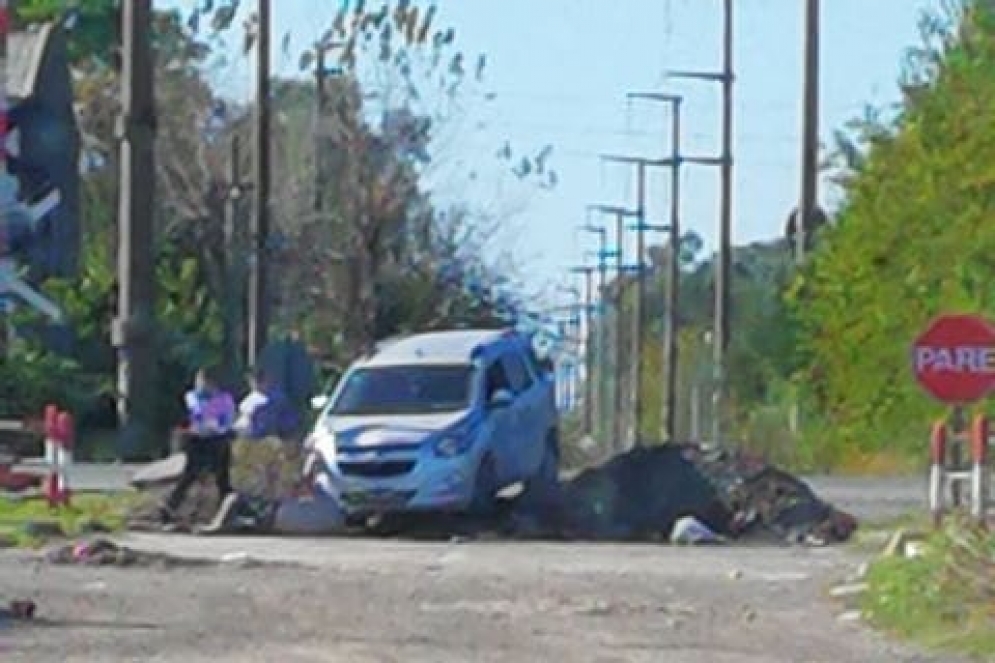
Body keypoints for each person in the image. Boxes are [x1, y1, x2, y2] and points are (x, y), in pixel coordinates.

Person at [161, 366, 236, 523]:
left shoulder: (224, 398)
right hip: (198, 440)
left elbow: (227, 419)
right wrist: (215, 408)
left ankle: (227, 511)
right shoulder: (193, 396)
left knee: (222, 477)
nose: (200, 385)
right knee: (190, 474)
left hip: (218, 440)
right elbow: (198, 411)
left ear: (212, 383)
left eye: (203, 382)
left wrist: (215, 409)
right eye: (198, 382)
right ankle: (170, 508)